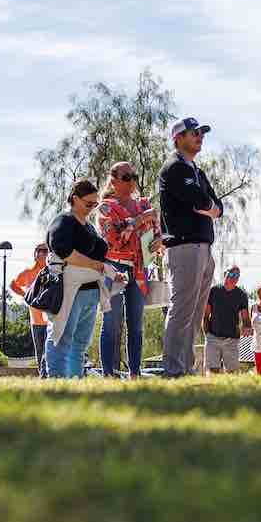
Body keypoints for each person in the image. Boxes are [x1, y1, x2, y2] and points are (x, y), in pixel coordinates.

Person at [158, 116, 224, 378]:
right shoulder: (174, 167)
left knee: (195, 314)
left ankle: (185, 367)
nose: (199, 136)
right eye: (193, 132)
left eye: (201, 133)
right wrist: (211, 208)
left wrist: (212, 208)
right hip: (184, 246)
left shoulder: (197, 171)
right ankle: (173, 368)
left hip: (204, 247)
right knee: (182, 309)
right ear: (178, 138)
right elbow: (199, 201)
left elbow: (217, 206)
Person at [45, 179, 125, 379]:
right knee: (61, 337)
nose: (92, 208)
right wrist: (93, 265)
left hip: (90, 292)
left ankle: (75, 380)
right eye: (89, 204)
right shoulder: (63, 221)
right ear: (75, 199)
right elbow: (63, 250)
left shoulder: (89, 227)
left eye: (95, 204)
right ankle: (56, 380)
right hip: (70, 290)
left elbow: (100, 256)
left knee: (80, 343)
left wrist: (112, 271)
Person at [99, 161, 158, 379]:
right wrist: (141, 219)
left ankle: (135, 373)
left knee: (136, 326)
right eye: (126, 177)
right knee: (111, 323)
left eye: (134, 175)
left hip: (139, 271)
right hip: (113, 269)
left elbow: (157, 231)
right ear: (113, 181)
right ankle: (108, 374)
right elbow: (114, 239)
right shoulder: (105, 207)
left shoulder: (143, 203)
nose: (132, 180)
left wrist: (158, 242)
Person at [10, 243, 51, 378]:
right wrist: (25, 295)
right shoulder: (28, 273)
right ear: (35, 254)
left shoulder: (53, 271)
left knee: (49, 350)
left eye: (46, 251)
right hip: (36, 320)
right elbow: (13, 285)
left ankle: (48, 375)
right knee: (39, 351)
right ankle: (42, 375)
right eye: (41, 251)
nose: (43, 254)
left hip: (51, 320)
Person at [204, 266, 251, 373]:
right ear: (225, 274)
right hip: (213, 337)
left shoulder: (241, 295)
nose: (234, 278)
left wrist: (247, 326)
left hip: (232, 340)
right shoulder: (214, 291)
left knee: (232, 372)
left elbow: (245, 317)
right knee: (212, 371)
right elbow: (206, 315)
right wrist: (207, 335)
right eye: (231, 275)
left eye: (237, 276)